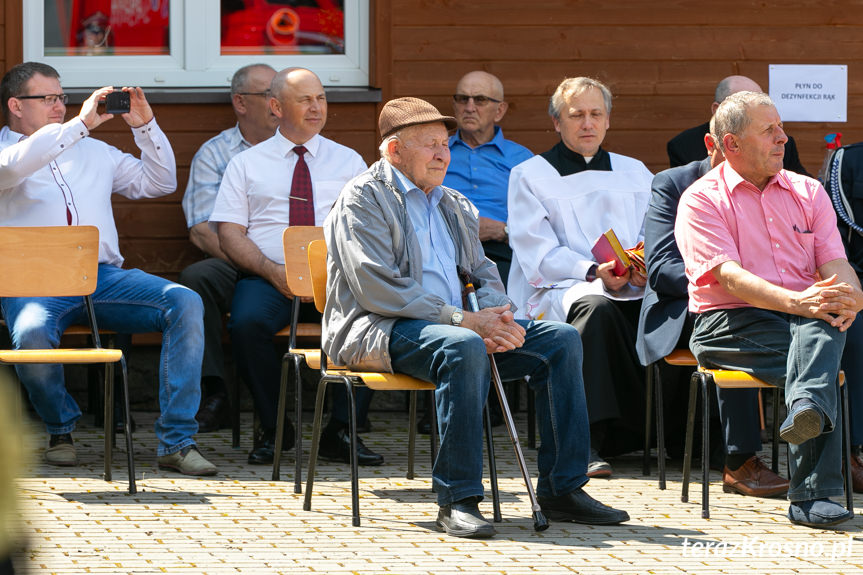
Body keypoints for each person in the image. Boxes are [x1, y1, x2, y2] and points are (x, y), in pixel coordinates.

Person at [323, 96, 629, 538]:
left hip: (458, 330)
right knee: (462, 346)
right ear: (393, 151)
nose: (443, 154)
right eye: (428, 144)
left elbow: (484, 272)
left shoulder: (454, 204)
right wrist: (462, 321)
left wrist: (494, 316)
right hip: (377, 328)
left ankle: (563, 489)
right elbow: (377, 288)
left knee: (560, 339)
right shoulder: (363, 198)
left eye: (444, 144)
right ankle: (457, 499)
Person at [0, 61, 216, 476]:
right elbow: (13, 168)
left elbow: (160, 182)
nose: (59, 106)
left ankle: (176, 442)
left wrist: (145, 126)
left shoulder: (94, 150)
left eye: (61, 97)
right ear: (15, 105)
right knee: (29, 333)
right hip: (32, 283)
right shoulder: (7, 151)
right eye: (46, 98)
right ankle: (61, 428)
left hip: (101, 279)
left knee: (185, 301)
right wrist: (81, 124)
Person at [675, 91, 863, 528]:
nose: (783, 138)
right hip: (728, 321)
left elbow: (836, 264)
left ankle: (806, 417)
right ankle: (815, 495)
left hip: (803, 318)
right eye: (769, 130)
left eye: (780, 127)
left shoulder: (807, 190)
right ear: (731, 144)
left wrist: (851, 296)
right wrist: (801, 301)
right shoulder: (701, 200)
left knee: (824, 324)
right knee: (818, 356)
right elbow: (731, 278)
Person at [209, 67, 380, 466]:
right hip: (269, 275)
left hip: (336, 278)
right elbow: (229, 233)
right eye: (304, 100)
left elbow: (369, 226)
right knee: (246, 324)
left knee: (376, 318)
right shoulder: (246, 164)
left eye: (320, 98)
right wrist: (271, 271)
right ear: (275, 107)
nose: (316, 107)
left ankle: (341, 429)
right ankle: (274, 427)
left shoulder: (349, 160)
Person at [507, 77, 653, 478]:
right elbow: (534, 249)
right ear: (557, 122)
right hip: (563, 286)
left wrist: (640, 265)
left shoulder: (635, 171)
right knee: (597, 308)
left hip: (633, 284)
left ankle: (663, 436)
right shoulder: (530, 174)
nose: (587, 124)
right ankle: (585, 441)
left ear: (607, 121)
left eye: (596, 114)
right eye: (576, 115)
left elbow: (653, 231)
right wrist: (592, 272)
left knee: (671, 310)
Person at [636, 118, 789, 497]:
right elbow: (661, 270)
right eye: (735, 149)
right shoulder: (673, 184)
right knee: (735, 315)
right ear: (714, 144)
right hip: (686, 308)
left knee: (837, 324)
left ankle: (844, 453)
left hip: (763, 304)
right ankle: (741, 461)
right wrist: (732, 282)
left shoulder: (772, 182)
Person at [178, 63, 278, 433]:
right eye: (269, 94)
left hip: (297, 264)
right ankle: (214, 393)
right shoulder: (216, 153)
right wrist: (260, 265)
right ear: (240, 102)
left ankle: (343, 406)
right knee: (194, 280)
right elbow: (203, 232)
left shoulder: (299, 150)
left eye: (280, 94)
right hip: (233, 261)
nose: (277, 102)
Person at [443, 71, 533, 287]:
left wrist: (504, 231)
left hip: (501, 251)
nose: (470, 107)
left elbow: (542, 220)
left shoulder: (523, 160)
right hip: (444, 249)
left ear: (499, 110)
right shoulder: (437, 152)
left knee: (503, 300)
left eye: (480, 100)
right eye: (463, 99)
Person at [821, 140, 863, 492]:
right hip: (857, 276)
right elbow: (836, 237)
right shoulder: (846, 161)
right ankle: (852, 449)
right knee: (852, 318)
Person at [667, 75, 808, 174]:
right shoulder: (683, 145)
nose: (780, 137)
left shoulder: (783, 144)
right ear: (717, 110)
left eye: (761, 101)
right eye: (745, 104)